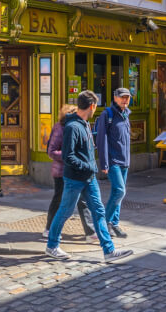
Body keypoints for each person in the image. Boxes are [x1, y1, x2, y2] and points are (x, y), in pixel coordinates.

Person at [45, 91, 133, 263]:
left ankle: (109, 251)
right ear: (91, 106)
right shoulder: (73, 127)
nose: (96, 110)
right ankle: (52, 245)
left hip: (89, 179)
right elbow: (67, 157)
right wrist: (89, 166)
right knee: (65, 211)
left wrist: (91, 167)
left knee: (99, 212)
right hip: (75, 179)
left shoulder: (85, 123)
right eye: (95, 106)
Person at [44, 105, 96, 242]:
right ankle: (49, 229)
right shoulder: (60, 128)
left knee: (82, 201)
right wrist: (68, 155)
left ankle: (90, 233)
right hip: (61, 172)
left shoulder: (78, 127)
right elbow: (52, 151)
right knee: (60, 201)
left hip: (76, 171)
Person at [97, 87, 132, 238]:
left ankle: (114, 223)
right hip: (113, 160)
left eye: (127, 97)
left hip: (124, 160)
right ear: (115, 97)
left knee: (118, 193)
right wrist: (104, 163)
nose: (125, 100)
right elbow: (101, 140)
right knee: (119, 191)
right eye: (122, 97)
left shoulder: (126, 114)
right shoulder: (107, 114)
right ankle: (104, 223)